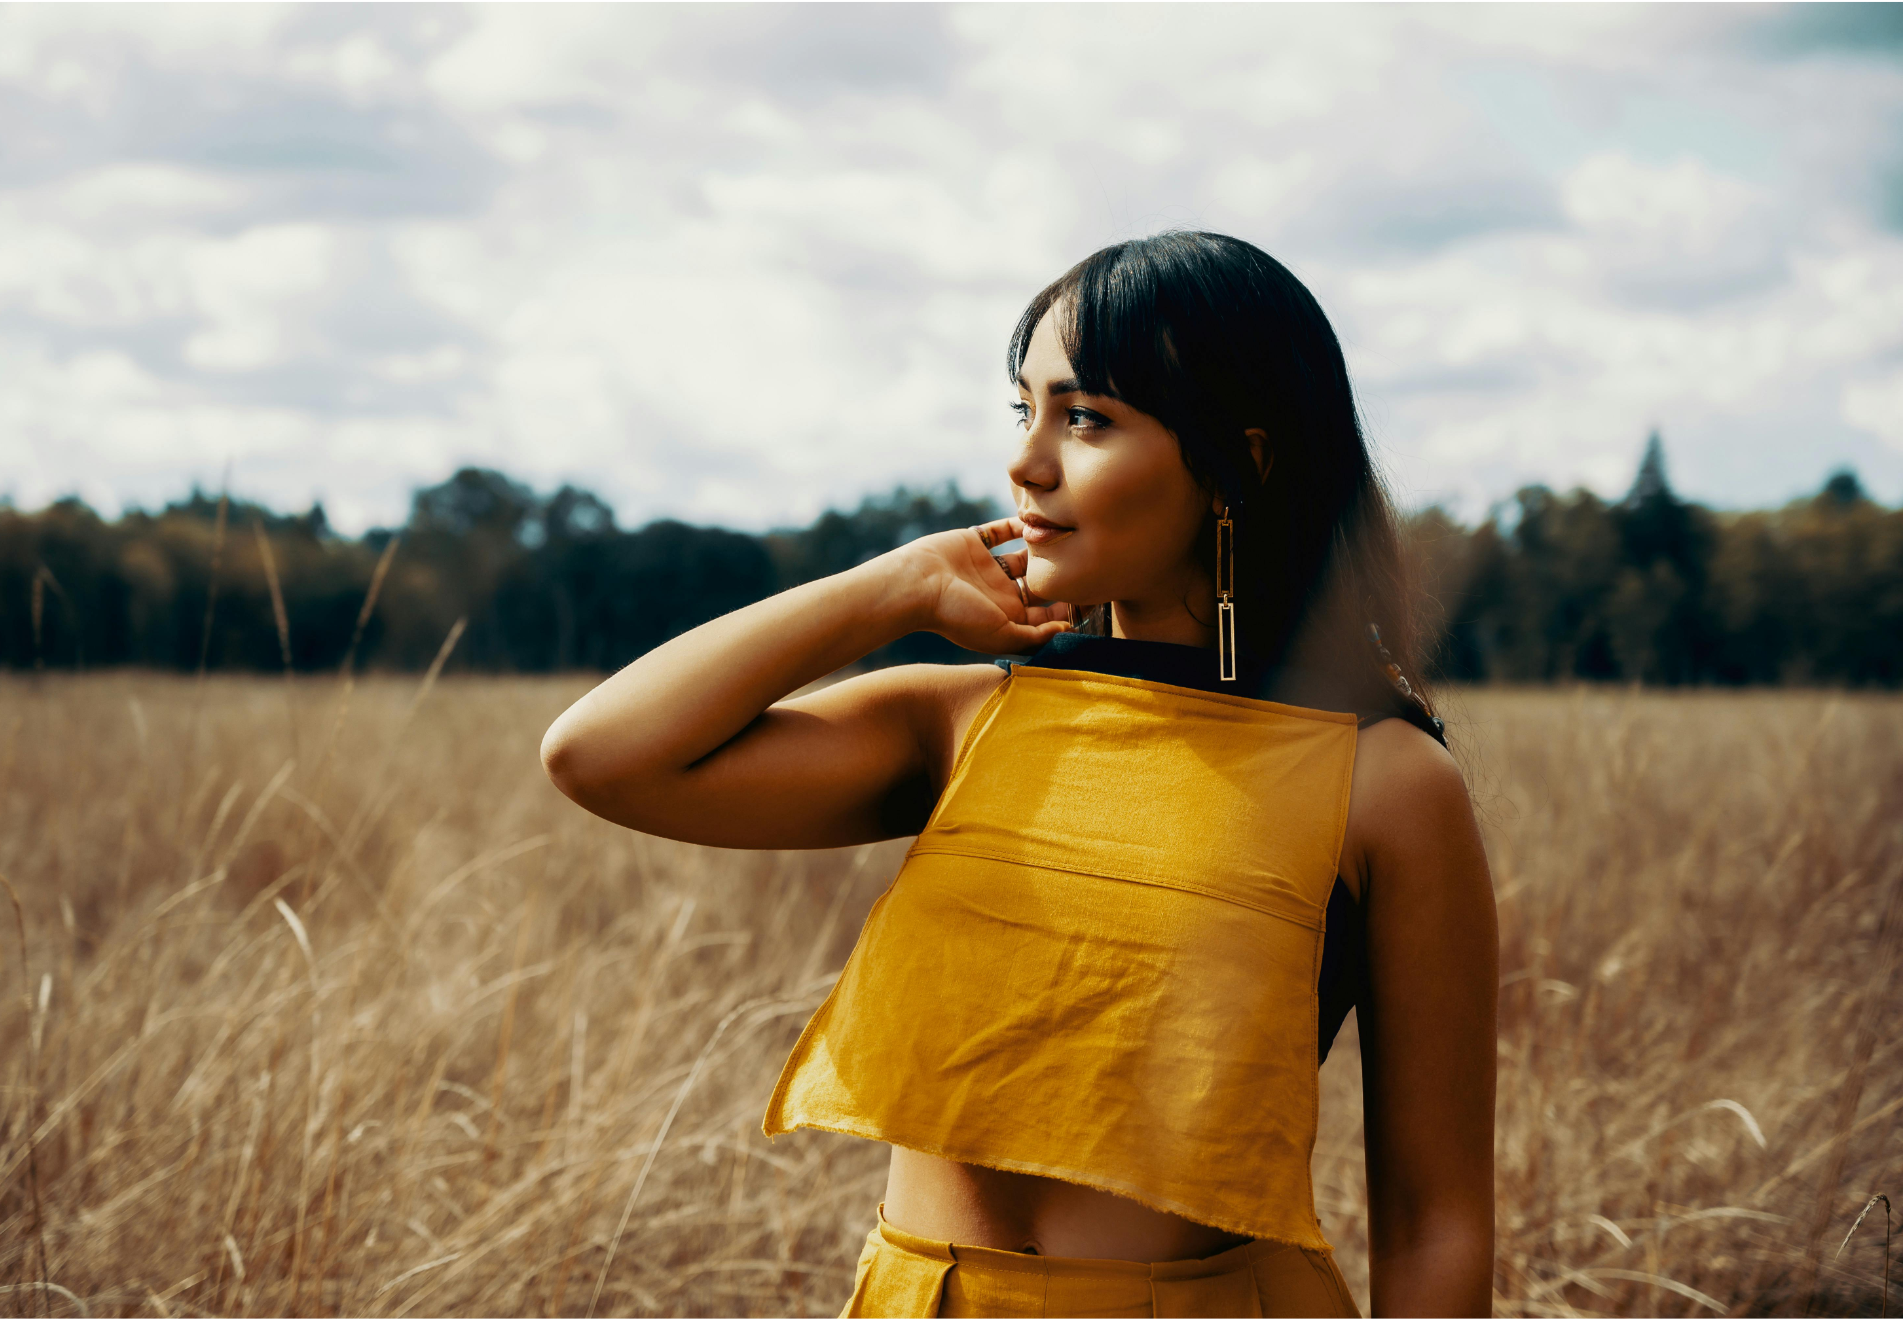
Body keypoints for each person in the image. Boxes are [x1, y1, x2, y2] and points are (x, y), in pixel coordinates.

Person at [541, 231, 1497, 1318]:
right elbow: (600, 754)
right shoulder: (968, 720)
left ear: (1244, 461)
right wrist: (892, 585)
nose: (1028, 462)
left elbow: (1436, 1220)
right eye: (1023, 409)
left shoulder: (1384, 778)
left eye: (1086, 417)